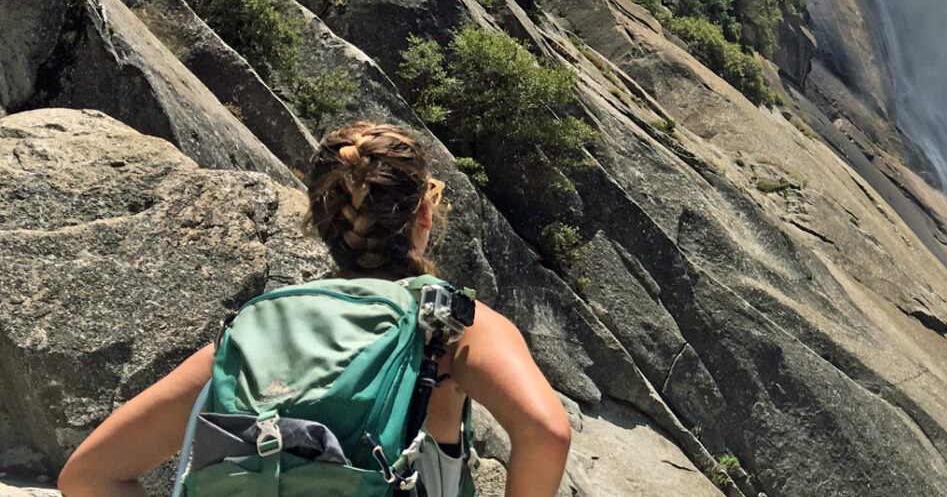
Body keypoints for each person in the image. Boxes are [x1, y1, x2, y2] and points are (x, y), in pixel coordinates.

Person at [57, 122, 572, 497]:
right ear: (424, 213)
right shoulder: (452, 324)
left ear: (320, 220)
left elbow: (88, 475)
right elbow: (546, 433)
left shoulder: (257, 333)